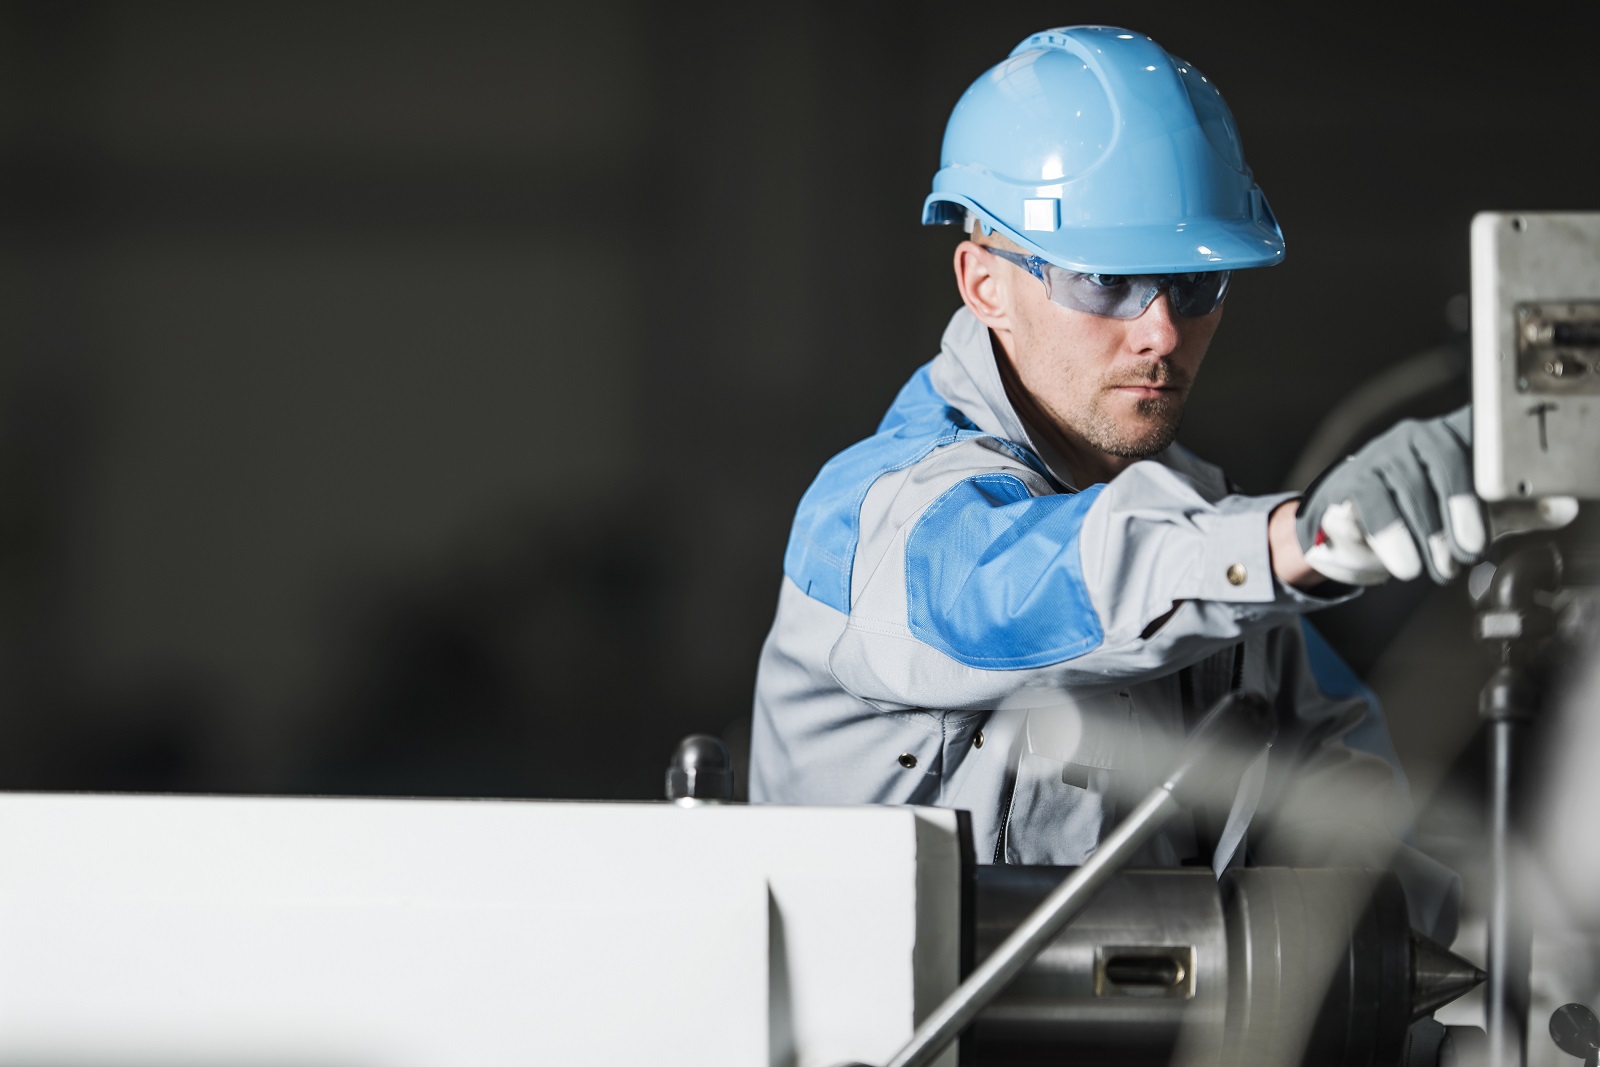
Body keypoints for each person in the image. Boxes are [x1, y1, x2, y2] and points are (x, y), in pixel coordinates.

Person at [745, 24, 1493, 942]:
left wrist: (1475, 953)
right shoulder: (874, 521)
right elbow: (1023, 588)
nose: (1163, 333)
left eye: (1195, 286)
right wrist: (1297, 541)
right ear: (985, 283)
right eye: (1105, 280)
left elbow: (1350, 807)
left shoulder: (1211, 543)